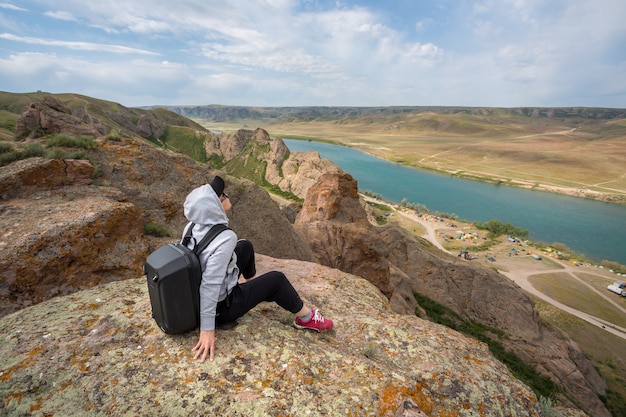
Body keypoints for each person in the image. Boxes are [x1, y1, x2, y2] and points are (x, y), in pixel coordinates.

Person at [182, 176, 333, 363]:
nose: (227, 196)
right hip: (222, 308)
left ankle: (252, 288)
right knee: (276, 280)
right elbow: (210, 285)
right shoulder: (225, 237)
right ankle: (306, 319)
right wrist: (207, 329)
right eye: (222, 196)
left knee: (244, 246)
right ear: (215, 207)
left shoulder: (192, 226)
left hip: (192, 297)